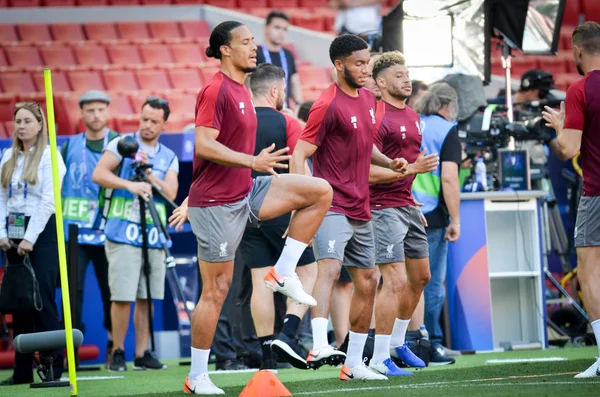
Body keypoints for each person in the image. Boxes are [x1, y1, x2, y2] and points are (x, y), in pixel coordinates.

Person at [173, 21, 332, 395]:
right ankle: (196, 376)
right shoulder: (214, 89)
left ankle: (284, 270)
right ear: (225, 49)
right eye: (245, 42)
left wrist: (252, 167)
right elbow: (203, 145)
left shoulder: (244, 89)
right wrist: (251, 161)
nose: (254, 47)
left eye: (253, 41)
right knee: (217, 290)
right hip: (216, 203)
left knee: (319, 191)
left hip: (247, 189)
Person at [290, 34, 408, 381]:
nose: (365, 69)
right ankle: (318, 344)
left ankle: (354, 363)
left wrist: (390, 162)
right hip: (332, 204)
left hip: (361, 206)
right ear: (339, 65)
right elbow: (300, 153)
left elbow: (363, 143)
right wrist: (304, 200)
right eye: (358, 63)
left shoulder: (368, 100)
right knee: (328, 270)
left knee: (369, 280)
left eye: (366, 62)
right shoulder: (325, 104)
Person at [235, 63, 318, 370]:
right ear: (274, 91)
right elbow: (301, 171)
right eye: (283, 90)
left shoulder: (237, 123)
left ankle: (267, 354)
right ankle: (289, 335)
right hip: (281, 206)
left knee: (260, 279)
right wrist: (303, 211)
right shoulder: (288, 122)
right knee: (309, 272)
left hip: (245, 209)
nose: (284, 95)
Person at [92, 96, 179, 372]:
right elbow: (99, 174)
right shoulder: (122, 144)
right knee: (122, 295)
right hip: (122, 232)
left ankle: (142, 353)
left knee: (147, 296)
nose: (147, 126)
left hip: (153, 235)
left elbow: (172, 193)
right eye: (144, 119)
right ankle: (117, 351)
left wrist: (149, 175)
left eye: (154, 121)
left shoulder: (169, 156)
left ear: (164, 124)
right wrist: (128, 186)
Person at [367, 51, 439, 376]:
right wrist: (411, 169)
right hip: (381, 207)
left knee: (421, 277)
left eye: (408, 74)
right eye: (398, 75)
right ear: (380, 83)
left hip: (405, 205)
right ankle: (378, 358)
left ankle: (398, 342)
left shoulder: (412, 116)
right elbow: (365, 172)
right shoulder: (377, 115)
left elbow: (405, 169)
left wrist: (410, 198)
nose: (407, 79)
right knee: (394, 280)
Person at [541, 21, 600, 379]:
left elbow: (569, 149)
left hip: (596, 192)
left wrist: (560, 127)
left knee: (590, 272)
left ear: (576, 51)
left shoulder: (580, 90)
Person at [0, 102, 66, 385]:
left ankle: (52, 366)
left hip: (43, 230)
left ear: (40, 124)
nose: (22, 126)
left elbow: (49, 201)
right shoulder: (7, 155)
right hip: (13, 230)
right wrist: (2, 232)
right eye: (18, 121)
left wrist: (30, 237)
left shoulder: (51, 155)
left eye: (28, 120)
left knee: (43, 298)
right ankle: (21, 370)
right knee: (19, 301)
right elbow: (2, 197)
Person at [61, 90, 118, 368]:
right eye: (90, 110)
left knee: (112, 293)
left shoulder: (120, 144)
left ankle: (112, 349)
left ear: (107, 112)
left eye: (100, 110)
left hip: (110, 232)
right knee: (73, 294)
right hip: (75, 234)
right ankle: (69, 353)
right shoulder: (68, 146)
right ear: (81, 114)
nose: (96, 115)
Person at [410, 83, 462, 365]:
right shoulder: (447, 130)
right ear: (448, 106)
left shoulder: (411, 123)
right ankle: (430, 344)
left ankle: (406, 342)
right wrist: (456, 219)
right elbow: (450, 179)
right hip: (432, 216)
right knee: (430, 284)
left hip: (403, 210)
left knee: (402, 281)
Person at [256, 11, 303, 108]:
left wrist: (299, 105)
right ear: (266, 27)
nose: (281, 33)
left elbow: (294, 82)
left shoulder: (288, 54)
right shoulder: (255, 53)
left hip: (285, 109)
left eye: (285, 29)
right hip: (262, 109)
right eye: (277, 27)